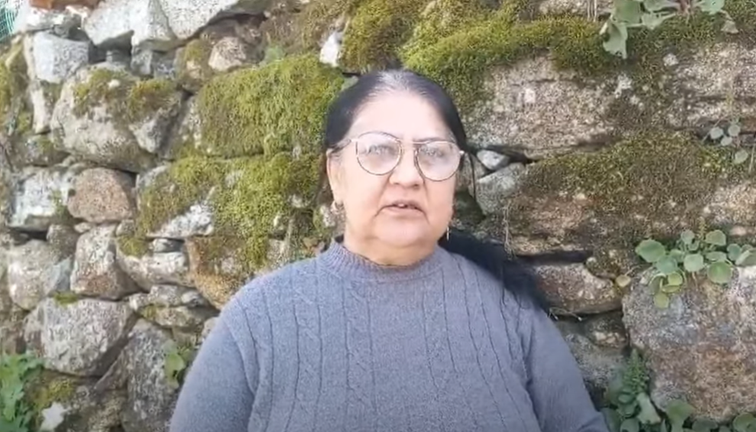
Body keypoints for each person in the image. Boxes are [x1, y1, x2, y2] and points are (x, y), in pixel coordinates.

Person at [169, 69, 609, 432]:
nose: (409, 176)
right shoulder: (257, 320)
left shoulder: (509, 310)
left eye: (433, 154)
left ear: (455, 178)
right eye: (379, 150)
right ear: (336, 174)